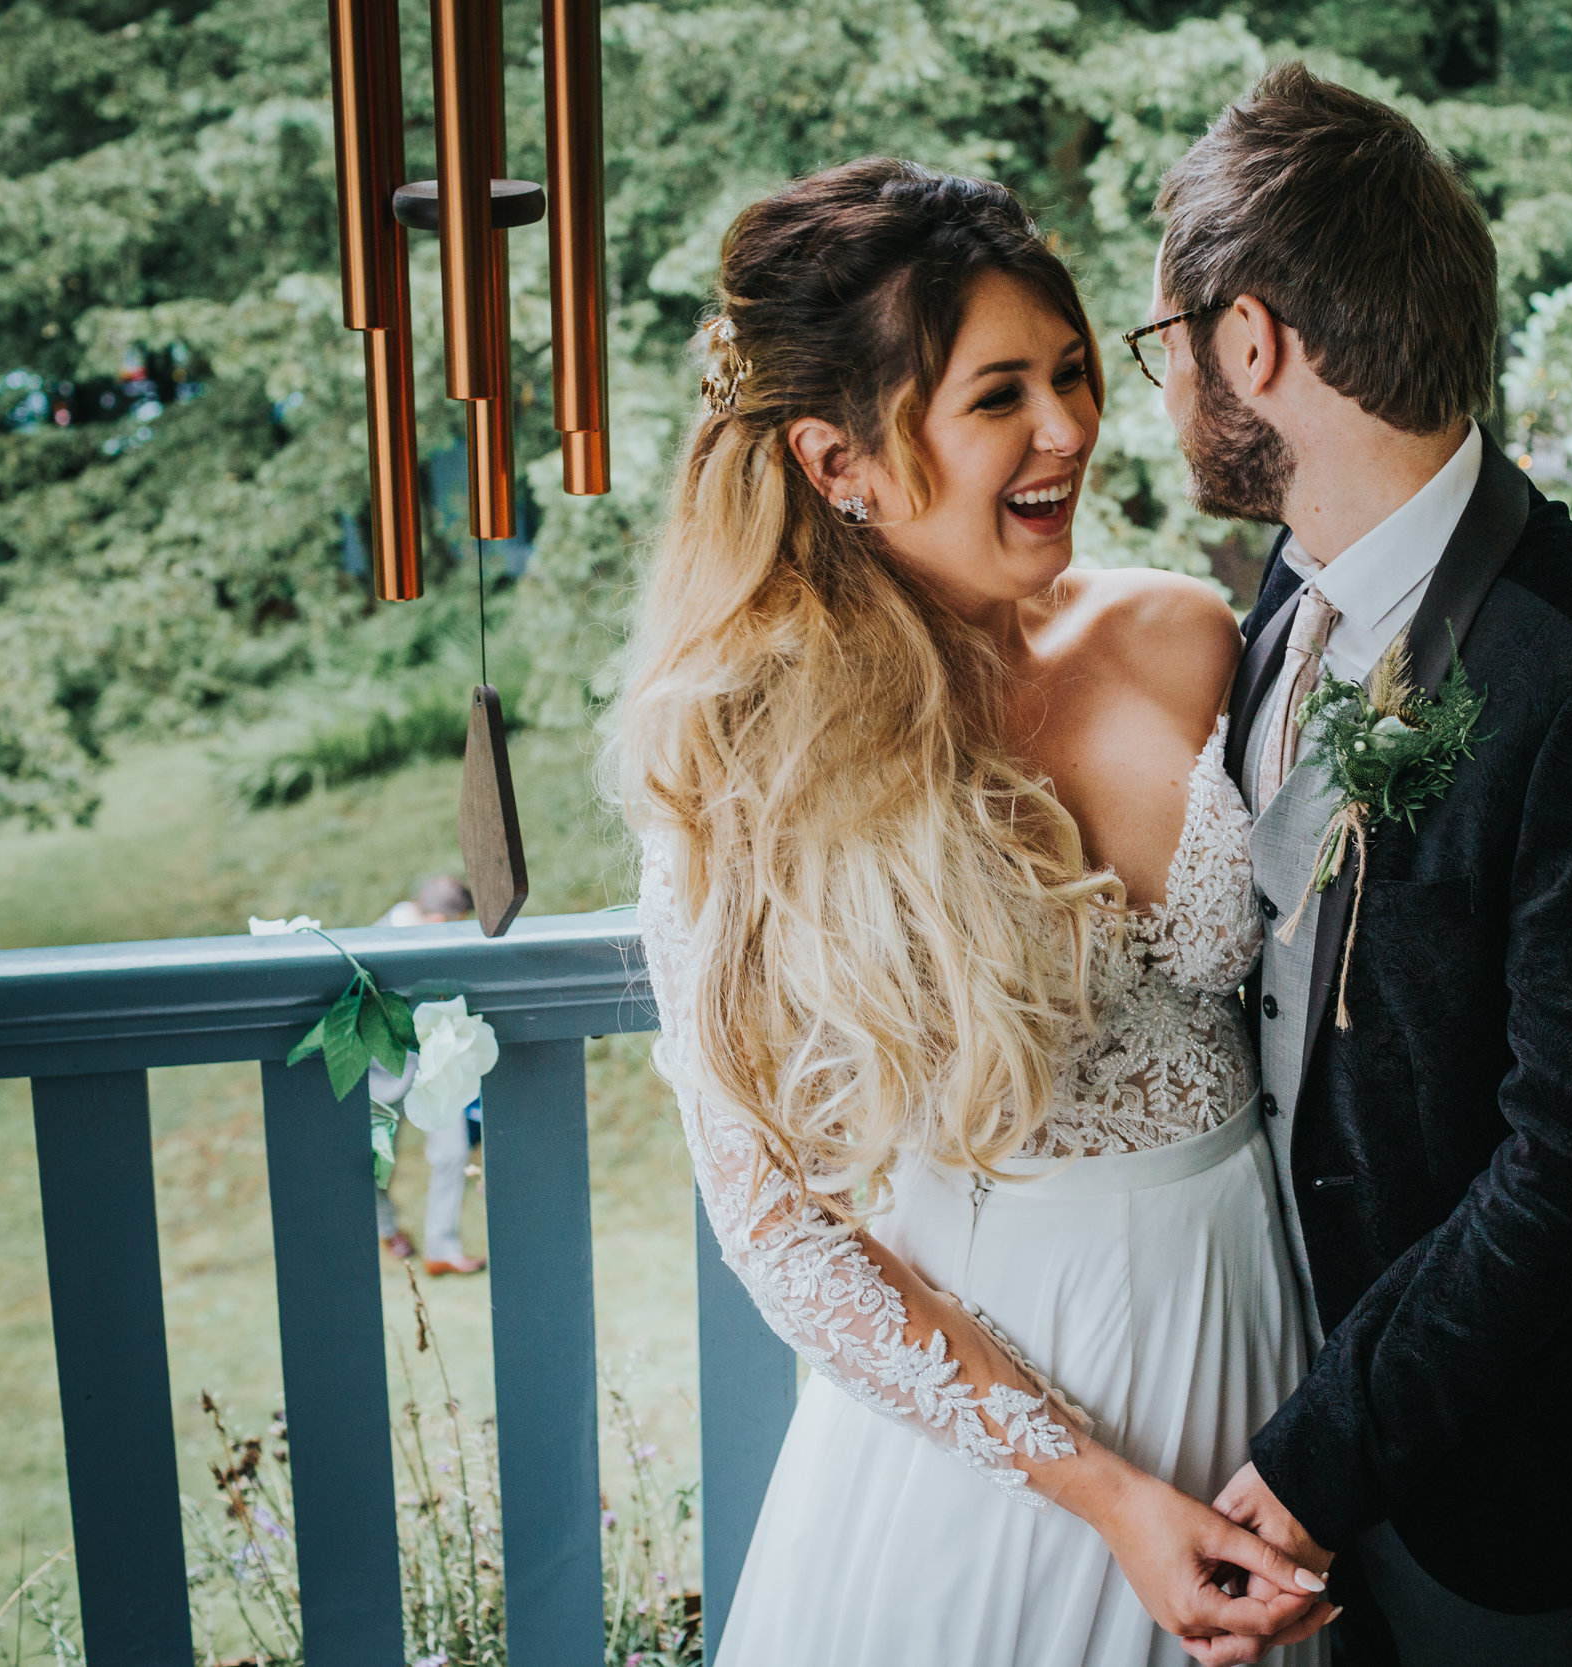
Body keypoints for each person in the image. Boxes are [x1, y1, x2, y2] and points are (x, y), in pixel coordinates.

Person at [612, 159, 1333, 1666]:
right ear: (838, 458)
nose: (1069, 426)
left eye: (1072, 372)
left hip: (1253, 1359)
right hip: (993, 1441)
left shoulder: (1187, 634)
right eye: (999, 393)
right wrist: (1105, 1491)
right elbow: (776, 1225)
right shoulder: (746, 762)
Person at [1145, 65, 1572, 1667]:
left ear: (1249, 342)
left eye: (1166, 348)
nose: (1167, 388)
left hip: (1514, 1479)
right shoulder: (1290, 587)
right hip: (1287, 1391)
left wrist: (1319, 1457)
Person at [370, 875, 487, 1276]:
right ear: (439, 919)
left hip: (435, 1066)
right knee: (374, 1161)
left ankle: (443, 1247)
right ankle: (386, 1229)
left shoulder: (442, 940)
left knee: (453, 1153)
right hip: (379, 1073)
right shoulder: (375, 938)